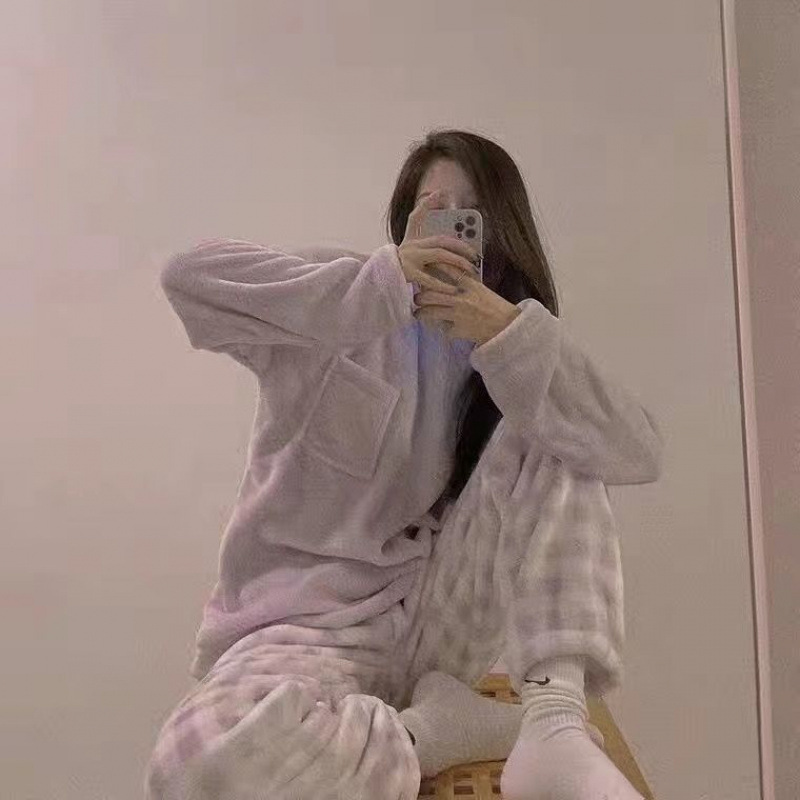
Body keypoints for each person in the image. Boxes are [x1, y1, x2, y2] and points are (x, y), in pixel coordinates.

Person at [145, 129, 662, 800]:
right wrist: (383, 286)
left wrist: (505, 332)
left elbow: (633, 450)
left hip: (435, 624)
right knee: (195, 765)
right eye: (433, 207)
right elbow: (188, 279)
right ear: (407, 222)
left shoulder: (511, 346)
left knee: (562, 418)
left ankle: (554, 723)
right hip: (301, 631)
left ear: (500, 232)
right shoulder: (342, 302)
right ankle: (437, 731)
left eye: (470, 212)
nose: (452, 225)